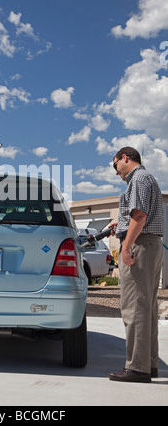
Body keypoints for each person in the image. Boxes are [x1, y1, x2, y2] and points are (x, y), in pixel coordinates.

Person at [108, 147, 164, 383]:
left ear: (125, 158)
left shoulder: (138, 178)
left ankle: (137, 368)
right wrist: (120, 222)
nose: (116, 172)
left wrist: (127, 246)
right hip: (150, 245)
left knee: (134, 307)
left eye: (115, 166)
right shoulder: (146, 178)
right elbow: (137, 215)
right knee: (146, 307)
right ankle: (149, 364)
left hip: (141, 246)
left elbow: (139, 216)